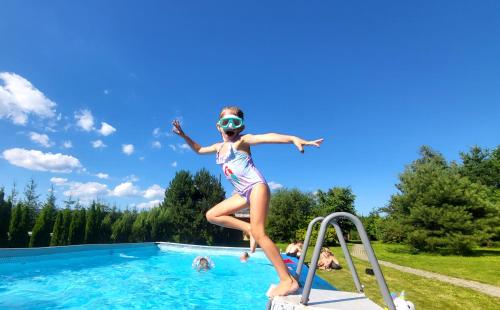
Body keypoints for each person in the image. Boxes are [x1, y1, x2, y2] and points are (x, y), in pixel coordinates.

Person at [172, 106, 323, 297]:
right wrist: (184, 135)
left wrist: (292, 138)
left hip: (257, 187)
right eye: (225, 122)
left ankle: (287, 281)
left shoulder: (243, 140)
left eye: (234, 122)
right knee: (212, 215)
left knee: (260, 233)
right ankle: (248, 228)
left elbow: (267, 137)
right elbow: (199, 149)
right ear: (218, 127)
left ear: (240, 127)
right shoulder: (218, 148)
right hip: (241, 193)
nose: (230, 126)